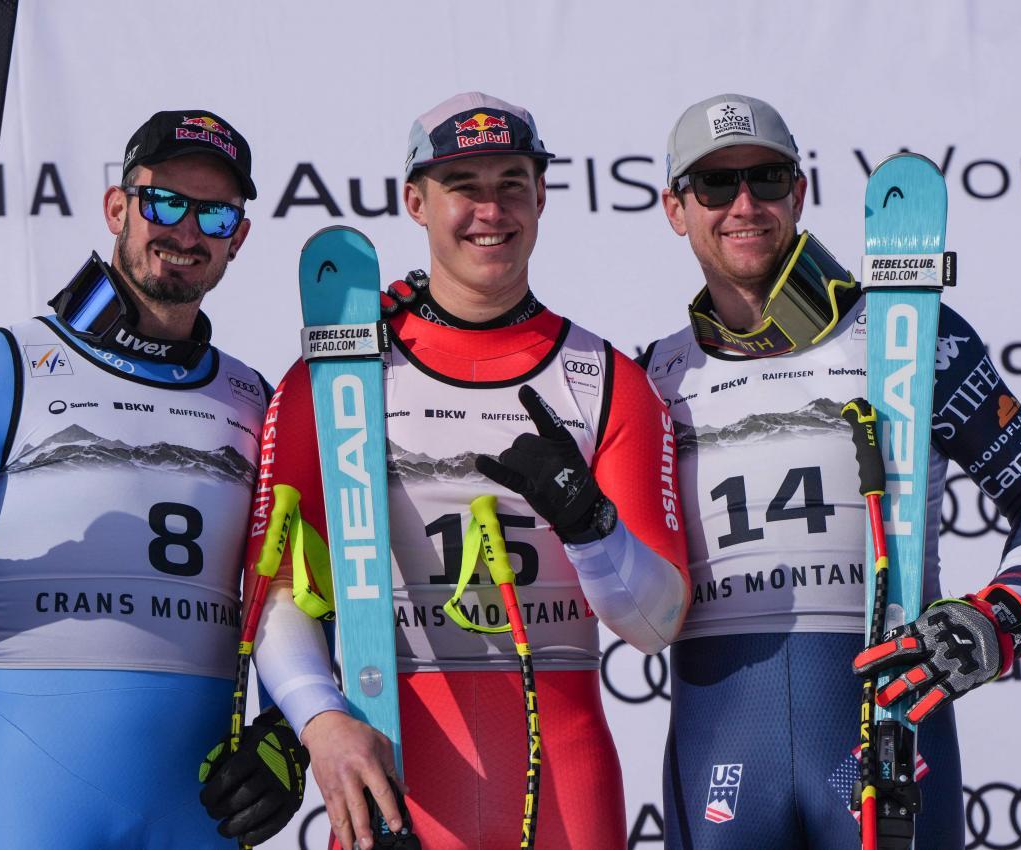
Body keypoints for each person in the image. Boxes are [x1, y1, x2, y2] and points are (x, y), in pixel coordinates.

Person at [638, 93, 1021, 849]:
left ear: (800, 192)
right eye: (714, 185)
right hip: (719, 743)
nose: (743, 203)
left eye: (767, 177)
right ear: (675, 209)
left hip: (882, 732)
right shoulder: (652, 376)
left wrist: (1002, 614)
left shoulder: (905, 332)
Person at [0, 110, 308, 850]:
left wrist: (286, 738)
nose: (187, 233)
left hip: (200, 806)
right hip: (30, 791)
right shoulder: (7, 366)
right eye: (164, 203)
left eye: (215, 214)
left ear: (239, 237)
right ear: (117, 207)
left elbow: (291, 598)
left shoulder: (254, 399)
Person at [248, 91, 691, 850]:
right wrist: (319, 720)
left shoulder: (605, 376)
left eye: (511, 183)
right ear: (416, 202)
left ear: (542, 196)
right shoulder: (335, 375)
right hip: (393, 774)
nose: (491, 210)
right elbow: (281, 592)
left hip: (564, 779)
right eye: (464, 187)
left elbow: (655, 624)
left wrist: (590, 529)